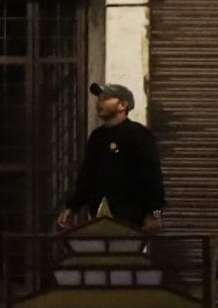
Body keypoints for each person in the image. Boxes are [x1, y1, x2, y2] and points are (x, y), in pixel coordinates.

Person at [56, 83, 167, 232]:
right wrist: (72, 207)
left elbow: (152, 178)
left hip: (130, 221)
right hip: (100, 219)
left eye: (106, 98)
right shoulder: (97, 137)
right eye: (99, 99)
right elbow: (87, 177)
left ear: (122, 105)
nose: (99, 103)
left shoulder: (137, 134)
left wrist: (155, 214)